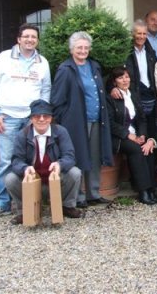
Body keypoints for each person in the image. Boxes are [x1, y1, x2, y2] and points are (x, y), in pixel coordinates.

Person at [0, 23, 51, 219]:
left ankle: (29, 200)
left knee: (31, 160)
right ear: (19, 39)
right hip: (8, 117)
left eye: (34, 37)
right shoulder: (4, 59)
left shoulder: (42, 62)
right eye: (26, 36)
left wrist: (41, 115)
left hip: (32, 120)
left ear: (37, 41)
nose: (30, 40)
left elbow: (46, 89)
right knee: (6, 161)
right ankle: (1, 203)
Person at [51, 31, 113, 207]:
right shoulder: (65, 69)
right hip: (75, 123)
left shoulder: (94, 66)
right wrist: (67, 119)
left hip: (96, 119)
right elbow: (56, 100)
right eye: (79, 47)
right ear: (72, 49)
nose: (83, 50)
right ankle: (77, 195)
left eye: (86, 47)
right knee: (77, 158)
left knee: (94, 157)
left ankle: (93, 193)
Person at [5, 100, 83, 224]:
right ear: (31, 118)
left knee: (75, 173)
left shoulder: (61, 132)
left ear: (51, 118)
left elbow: (70, 156)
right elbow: (16, 160)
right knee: (10, 179)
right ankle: (25, 211)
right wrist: (25, 168)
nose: (41, 119)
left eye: (45, 116)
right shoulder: (22, 135)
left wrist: (59, 164)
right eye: (37, 116)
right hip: (33, 181)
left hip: (55, 180)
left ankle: (66, 206)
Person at [106, 66, 157, 205]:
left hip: (135, 133)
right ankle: (143, 191)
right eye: (121, 77)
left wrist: (142, 135)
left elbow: (141, 118)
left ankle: (151, 189)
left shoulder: (133, 94)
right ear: (115, 81)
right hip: (119, 137)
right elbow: (110, 123)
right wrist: (128, 135)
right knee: (136, 150)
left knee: (148, 150)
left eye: (127, 77)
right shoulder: (111, 97)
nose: (125, 80)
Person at [122, 20, 157, 143]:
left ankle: (151, 161)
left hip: (150, 95)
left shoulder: (150, 52)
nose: (141, 37)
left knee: (151, 133)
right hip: (134, 94)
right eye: (139, 33)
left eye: (144, 34)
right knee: (139, 132)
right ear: (133, 34)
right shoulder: (126, 52)